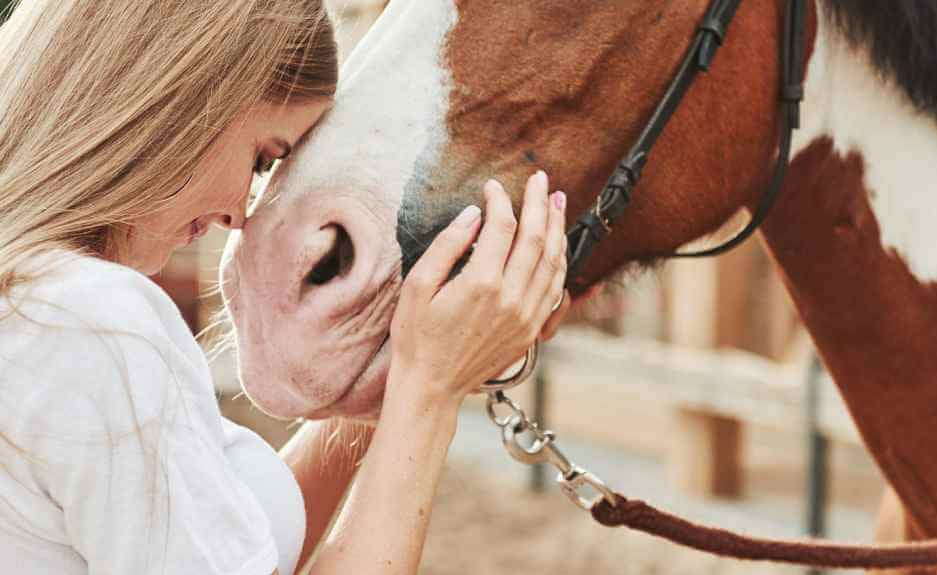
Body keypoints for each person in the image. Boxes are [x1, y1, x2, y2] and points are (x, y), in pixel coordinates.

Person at [0, 1, 570, 574]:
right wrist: (430, 389)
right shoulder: (92, 325)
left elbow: (238, 552)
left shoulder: (42, 310)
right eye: (263, 158)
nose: (239, 214)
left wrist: (397, 359)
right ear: (177, 102)